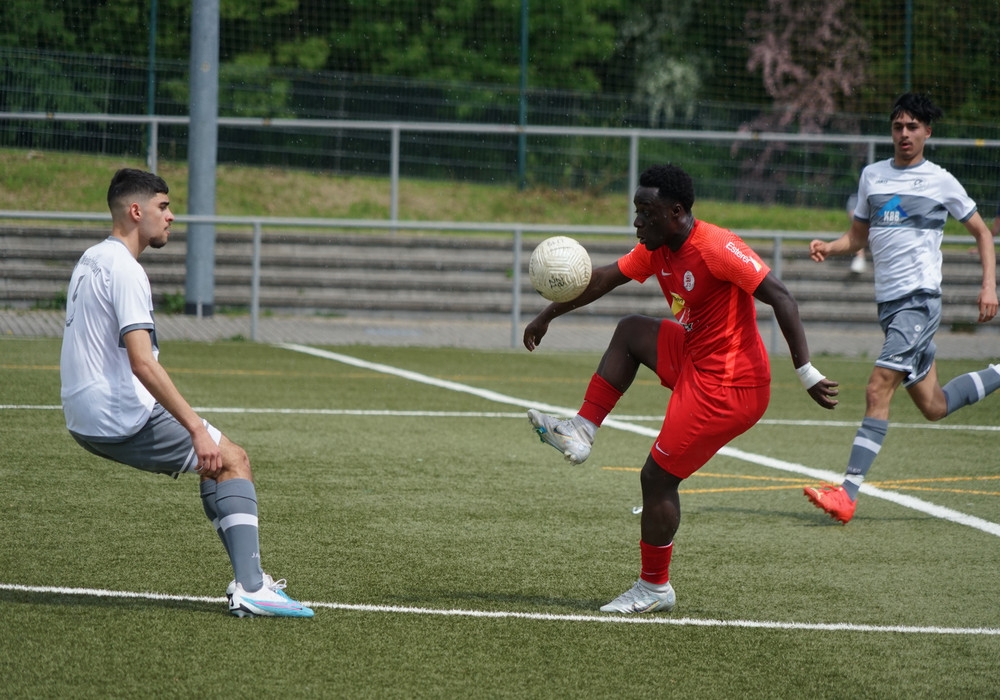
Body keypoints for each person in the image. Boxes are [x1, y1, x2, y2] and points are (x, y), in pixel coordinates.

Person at [523, 164, 839, 614]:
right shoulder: (657, 248)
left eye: (645, 212)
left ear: (675, 212)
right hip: (695, 356)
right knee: (632, 330)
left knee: (657, 476)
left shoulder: (717, 247)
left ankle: (654, 588)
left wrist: (805, 371)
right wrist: (548, 314)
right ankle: (582, 429)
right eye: (636, 211)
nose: (636, 222)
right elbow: (602, 279)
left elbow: (781, 297)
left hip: (729, 385)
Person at [60, 168, 313, 618]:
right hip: (118, 415)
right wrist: (195, 427)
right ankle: (253, 588)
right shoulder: (125, 269)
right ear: (136, 211)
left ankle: (248, 581)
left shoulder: (92, 258)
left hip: (82, 414)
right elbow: (141, 362)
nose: (171, 216)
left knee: (216, 466)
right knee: (232, 459)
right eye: (163, 206)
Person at [804, 93, 1000, 524]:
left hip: (919, 303)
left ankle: (847, 494)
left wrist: (989, 286)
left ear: (928, 132)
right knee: (935, 405)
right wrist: (830, 247)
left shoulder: (941, 180)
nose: (905, 134)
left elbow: (983, 233)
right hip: (891, 309)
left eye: (913, 126)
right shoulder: (872, 176)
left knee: (877, 388)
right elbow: (856, 237)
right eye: (898, 126)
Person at [846, 193, 867, 274]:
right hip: (864, 230)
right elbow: (852, 215)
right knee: (857, 226)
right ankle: (860, 257)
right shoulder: (855, 197)